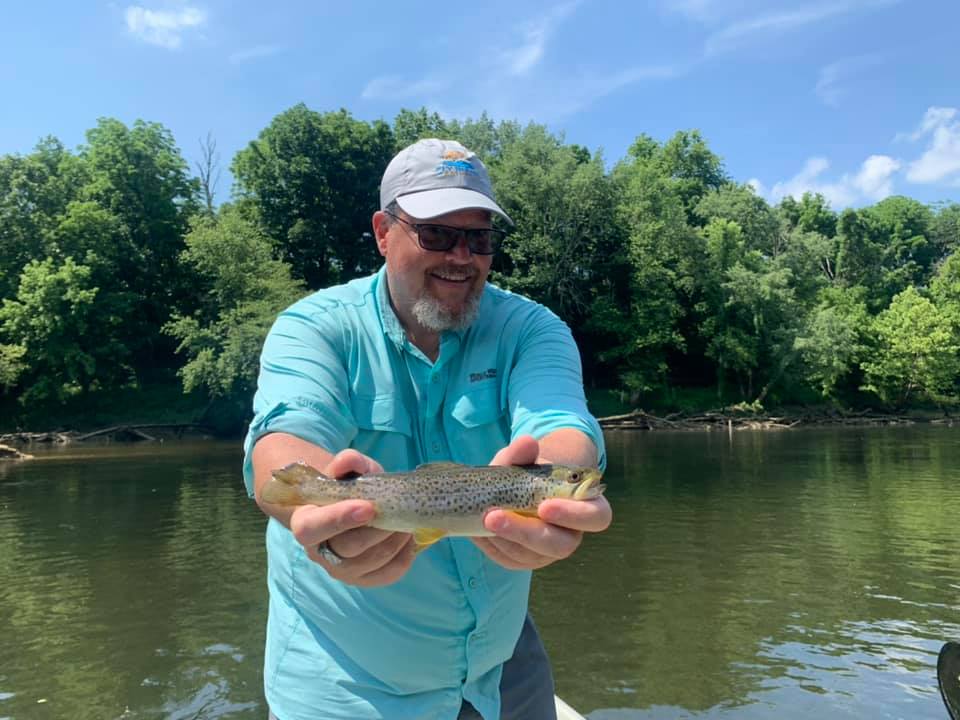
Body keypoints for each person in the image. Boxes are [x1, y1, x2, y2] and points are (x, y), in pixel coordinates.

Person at [242, 138, 611, 720]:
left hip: (502, 668)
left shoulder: (531, 329)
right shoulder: (314, 327)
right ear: (383, 233)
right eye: (436, 234)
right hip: (349, 685)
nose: (461, 256)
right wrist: (312, 513)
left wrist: (559, 485)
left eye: (479, 238)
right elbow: (282, 440)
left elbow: (562, 422)